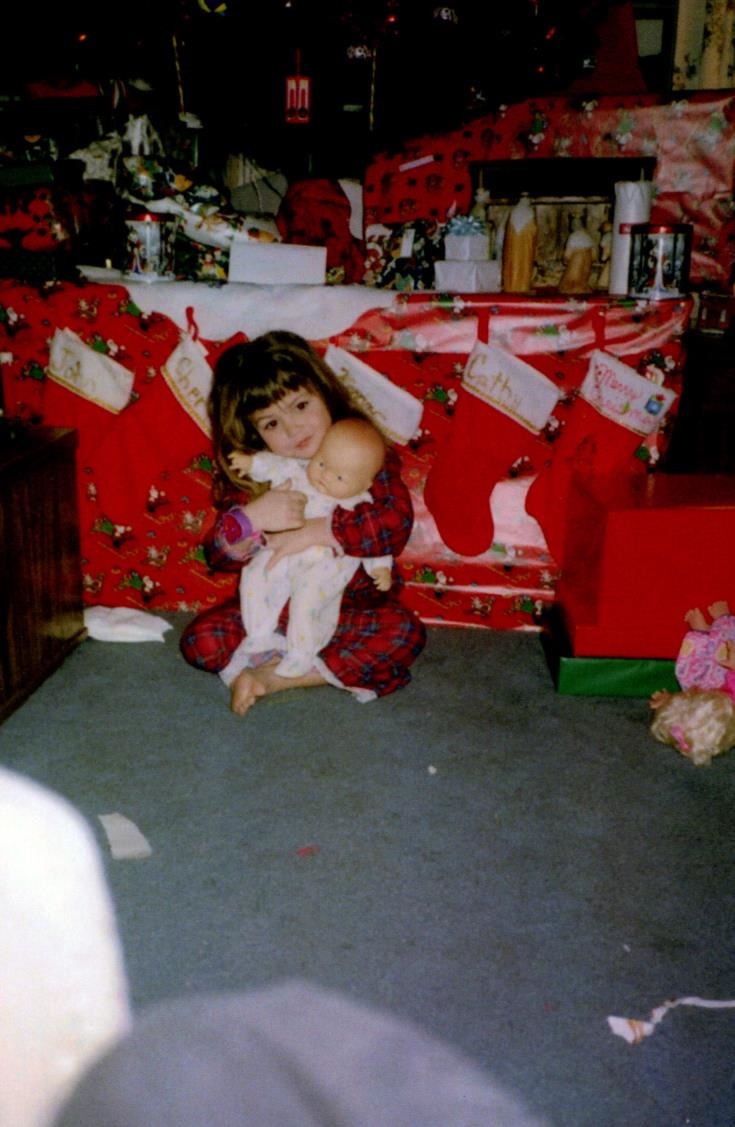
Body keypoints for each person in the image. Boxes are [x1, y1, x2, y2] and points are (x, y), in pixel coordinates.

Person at [179, 331, 426, 716]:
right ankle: (280, 652)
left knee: (404, 633)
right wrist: (252, 518)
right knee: (200, 642)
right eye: (271, 423)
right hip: (272, 610)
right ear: (255, 434)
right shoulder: (263, 474)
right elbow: (217, 555)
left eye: (300, 405)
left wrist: (320, 530)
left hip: (349, 609)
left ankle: (278, 676)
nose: (293, 429)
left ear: (325, 394)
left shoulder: (361, 450)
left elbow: (394, 522)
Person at [227, 416, 393, 679]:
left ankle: (301, 653)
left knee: (308, 604)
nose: (324, 476)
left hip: (325, 565)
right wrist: (252, 463)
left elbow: (375, 539)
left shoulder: (361, 503)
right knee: (255, 574)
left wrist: (381, 568)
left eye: (339, 476)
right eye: (322, 462)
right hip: (282, 550)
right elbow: (276, 465)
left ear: (364, 484)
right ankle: (259, 634)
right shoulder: (300, 471)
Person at [649, 601, 735, 765]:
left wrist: (668, 703)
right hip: (728, 674)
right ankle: (724, 621)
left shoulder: (711, 712)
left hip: (715, 685)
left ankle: (703, 635)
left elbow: (686, 713)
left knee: (688, 674)